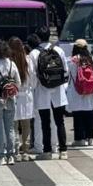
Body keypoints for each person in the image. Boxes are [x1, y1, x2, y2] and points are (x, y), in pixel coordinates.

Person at [29, 27, 69, 160]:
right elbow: (65, 71)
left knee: (45, 122)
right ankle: (63, 150)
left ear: (38, 38)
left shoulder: (34, 53)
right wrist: (62, 86)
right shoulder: (58, 50)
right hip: (58, 91)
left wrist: (34, 87)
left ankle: (47, 151)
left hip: (42, 91)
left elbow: (33, 75)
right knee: (60, 122)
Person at [67, 39, 93, 147]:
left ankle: (79, 139)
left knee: (78, 115)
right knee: (89, 114)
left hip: (77, 91)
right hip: (90, 91)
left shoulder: (73, 60)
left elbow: (69, 74)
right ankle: (90, 138)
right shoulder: (91, 59)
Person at [12, 38, 36, 161]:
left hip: (14, 95)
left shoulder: (9, 61)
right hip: (26, 95)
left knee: (14, 125)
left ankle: (16, 151)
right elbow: (33, 78)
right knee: (26, 125)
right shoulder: (28, 59)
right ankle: (25, 151)